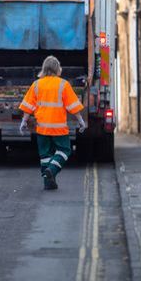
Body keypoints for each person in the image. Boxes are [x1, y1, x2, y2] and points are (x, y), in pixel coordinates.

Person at [18, 56, 86, 190]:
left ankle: (48, 181)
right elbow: (73, 106)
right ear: (57, 69)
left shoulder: (36, 84)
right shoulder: (63, 84)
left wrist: (23, 122)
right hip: (58, 128)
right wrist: (81, 121)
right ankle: (52, 170)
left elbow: (28, 106)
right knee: (65, 150)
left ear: (44, 69)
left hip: (42, 128)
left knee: (45, 155)